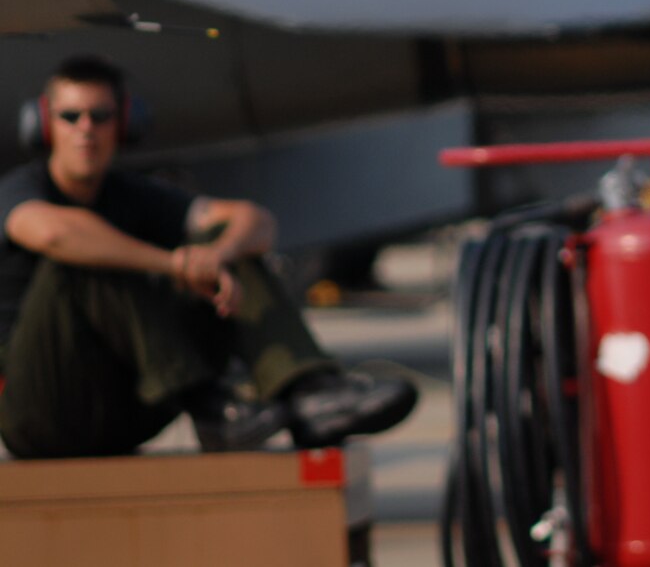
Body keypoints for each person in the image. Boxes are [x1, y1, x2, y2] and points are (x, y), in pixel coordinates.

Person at [0, 55, 417, 459]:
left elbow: (254, 221)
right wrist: (171, 264)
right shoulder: (21, 189)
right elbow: (54, 234)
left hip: (120, 408)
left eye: (100, 116)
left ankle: (309, 395)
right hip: (41, 415)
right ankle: (209, 406)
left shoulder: (133, 194)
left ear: (124, 122)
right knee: (85, 255)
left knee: (223, 241)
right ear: (45, 124)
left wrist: (216, 255)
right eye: (70, 116)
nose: (86, 129)